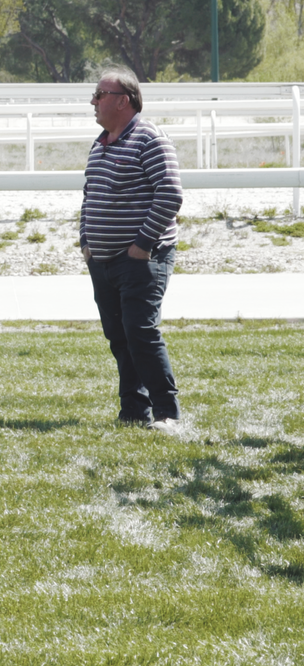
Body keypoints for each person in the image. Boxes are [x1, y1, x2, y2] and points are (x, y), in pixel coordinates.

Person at [81, 69, 184, 432]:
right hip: (103, 261)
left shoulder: (149, 139)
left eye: (100, 94)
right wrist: (86, 242)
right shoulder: (101, 143)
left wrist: (142, 245)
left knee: (140, 333)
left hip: (141, 260)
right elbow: (89, 196)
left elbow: (170, 194)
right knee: (120, 337)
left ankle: (168, 414)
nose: (93, 101)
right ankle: (133, 411)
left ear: (123, 100)